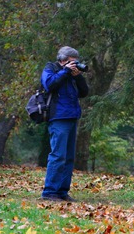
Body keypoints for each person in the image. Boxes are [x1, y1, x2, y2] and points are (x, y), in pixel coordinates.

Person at [41, 46, 89, 202]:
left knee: (68, 157)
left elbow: (84, 92)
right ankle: (49, 192)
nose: (74, 64)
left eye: (76, 62)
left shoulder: (72, 74)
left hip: (72, 116)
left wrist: (78, 76)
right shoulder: (51, 68)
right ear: (62, 60)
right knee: (58, 155)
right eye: (71, 62)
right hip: (58, 117)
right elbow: (49, 84)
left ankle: (62, 191)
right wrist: (65, 71)